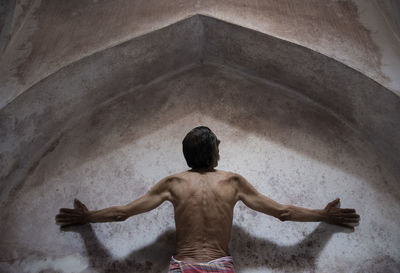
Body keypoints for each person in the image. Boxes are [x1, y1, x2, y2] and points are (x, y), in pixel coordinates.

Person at [56, 126, 360, 273]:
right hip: (220, 265)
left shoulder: (173, 183)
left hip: (183, 265)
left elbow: (123, 212)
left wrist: (88, 217)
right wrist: (323, 215)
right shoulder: (232, 182)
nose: (220, 152)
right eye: (218, 147)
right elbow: (283, 212)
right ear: (213, 152)